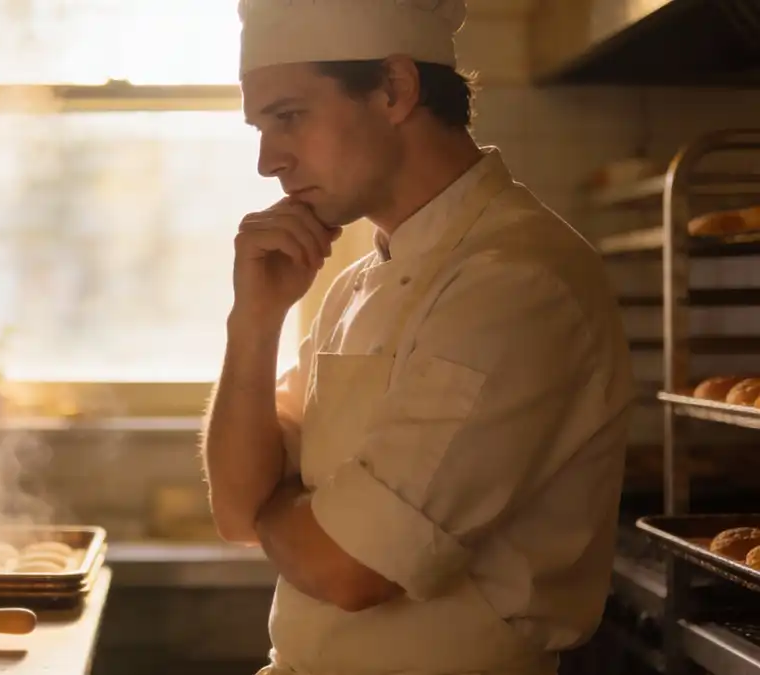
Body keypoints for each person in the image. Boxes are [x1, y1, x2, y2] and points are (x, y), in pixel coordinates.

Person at [199, 1, 635, 673]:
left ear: (395, 89)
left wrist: (280, 502)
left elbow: (352, 569)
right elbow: (234, 508)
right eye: (262, 126)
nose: (267, 162)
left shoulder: (514, 282)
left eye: (288, 117)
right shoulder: (357, 282)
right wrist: (253, 321)